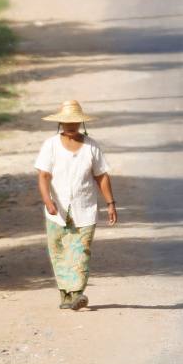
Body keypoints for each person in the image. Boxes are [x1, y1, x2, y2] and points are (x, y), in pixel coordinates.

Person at [34, 99, 118, 310]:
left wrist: (110, 203)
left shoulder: (91, 147)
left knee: (81, 250)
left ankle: (78, 293)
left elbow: (101, 176)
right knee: (59, 251)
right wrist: (48, 201)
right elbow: (43, 176)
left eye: (74, 122)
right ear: (60, 123)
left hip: (85, 208)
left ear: (81, 122)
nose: (71, 125)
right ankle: (66, 294)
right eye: (67, 122)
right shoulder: (51, 145)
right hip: (57, 210)